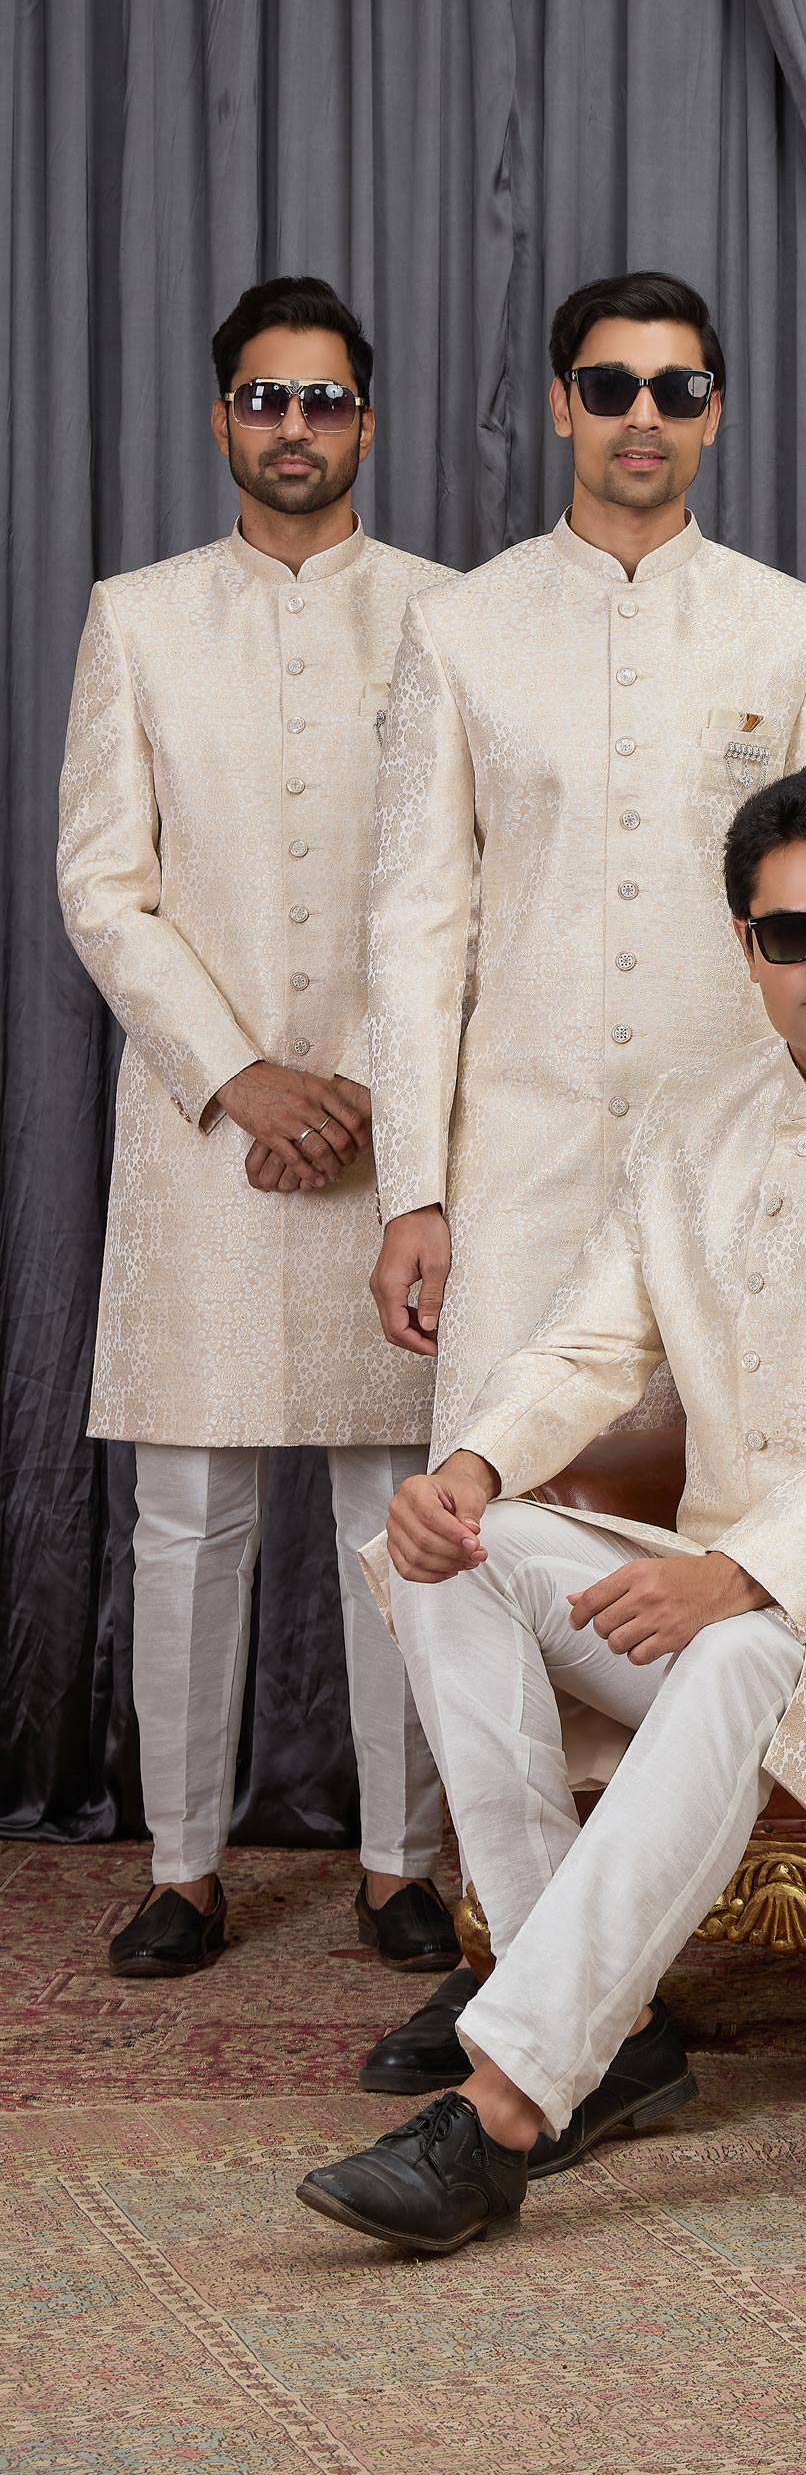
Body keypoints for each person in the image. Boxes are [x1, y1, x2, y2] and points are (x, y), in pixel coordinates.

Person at [298, 771, 806, 2253]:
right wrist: (471, 1471)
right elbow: (591, 1347)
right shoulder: (688, 1120)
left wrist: (747, 1573)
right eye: (791, 935)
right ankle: (605, 2020)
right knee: (448, 1555)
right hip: (709, 1572)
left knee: (740, 1643)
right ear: (747, 948)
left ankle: (507, 2101)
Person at [357, 269, 806, 2091]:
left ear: (715, 411)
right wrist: (413, 1186)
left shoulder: (796, 632)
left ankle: (597, 1963)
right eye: (611, 385)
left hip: (747, 1179)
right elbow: (416, 925)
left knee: (719, 1523)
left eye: (677, 387)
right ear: (562, 404)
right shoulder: (464, 629)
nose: (643, 416)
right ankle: (533, 1963)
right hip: (520, 1171)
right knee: (466, 1546)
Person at [56, 276, 456, 1980]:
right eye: (266, 399)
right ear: (223, 417)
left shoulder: (449, 617)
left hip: (396, 1131)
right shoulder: (138, 618)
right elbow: (105, 885)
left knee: (402, 1512)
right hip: (204, 1131)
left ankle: (401, 1863)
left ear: (370, 418)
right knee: (188, 1515)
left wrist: (362, 1077)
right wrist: (242, 1076)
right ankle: (184, 1867)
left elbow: (463, 874)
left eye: (326, 399)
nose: (297, 428)